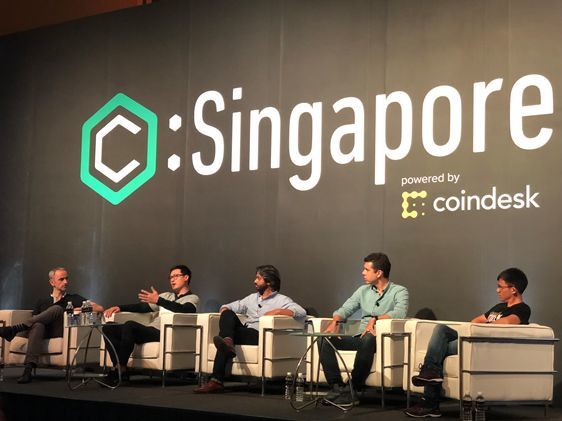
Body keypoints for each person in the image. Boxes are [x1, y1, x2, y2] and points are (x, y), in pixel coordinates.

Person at [404, 267, 531, 418]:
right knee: (441, 329)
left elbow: (508, 323)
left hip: (480, 344)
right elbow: (475, 321)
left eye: (500, 286)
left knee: (439, 351)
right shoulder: (499, 307)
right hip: (471, 338)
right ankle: (430, 373)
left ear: (513, 289)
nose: (497, 290)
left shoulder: (522, 309)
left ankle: (429, 401)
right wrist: (485, 325)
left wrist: (484, 326)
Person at [193, 264, 306, 393]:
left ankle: (216, 380)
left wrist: (278, 311)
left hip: (258, 335)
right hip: (244, 331)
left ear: (269, 282)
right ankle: (227, 342)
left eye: (258, 278)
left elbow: (301, 311)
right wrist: (224, 311)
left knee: (224, 337)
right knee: (227, 315)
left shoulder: (281, 300)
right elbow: (228, 306)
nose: (254, 281)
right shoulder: (252, 298)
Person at [319, 252, 409, 406]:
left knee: (368, 338)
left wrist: (376, 319)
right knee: (324, 338)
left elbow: (400, 312)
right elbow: (346, 308)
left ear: (378, 273)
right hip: (360, 338)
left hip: (380, 340)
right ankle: (337, 388)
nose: (363, 273)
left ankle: (353, 388)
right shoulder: (363, 291)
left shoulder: (399, 291)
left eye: (367, 270)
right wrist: (335, 321)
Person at [0, 267, 103, 384]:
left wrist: (79, 308)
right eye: (61, 279)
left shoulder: (73, 298)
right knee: (38, 325)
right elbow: (34, 321)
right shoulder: (42, 301)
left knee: (57, 309)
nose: (66, 282)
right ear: (52, 282)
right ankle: (28, 370)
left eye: (67, 279)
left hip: (58, 331)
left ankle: (14, 329)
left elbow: (99, 308)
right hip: (39, 333)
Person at [102, 264, 199, 383]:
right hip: (150, 330)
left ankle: (120, 368)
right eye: (170, 277)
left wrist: (159, 300)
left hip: (164, 332)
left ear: (186, 277)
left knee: (130, 325)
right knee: (109, 327)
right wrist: (120, 307)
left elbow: (186, 310)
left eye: (176, 276)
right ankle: (118, 367)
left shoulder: (192, 298)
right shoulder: (166, 296)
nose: (172, 280)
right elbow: (143, 307)